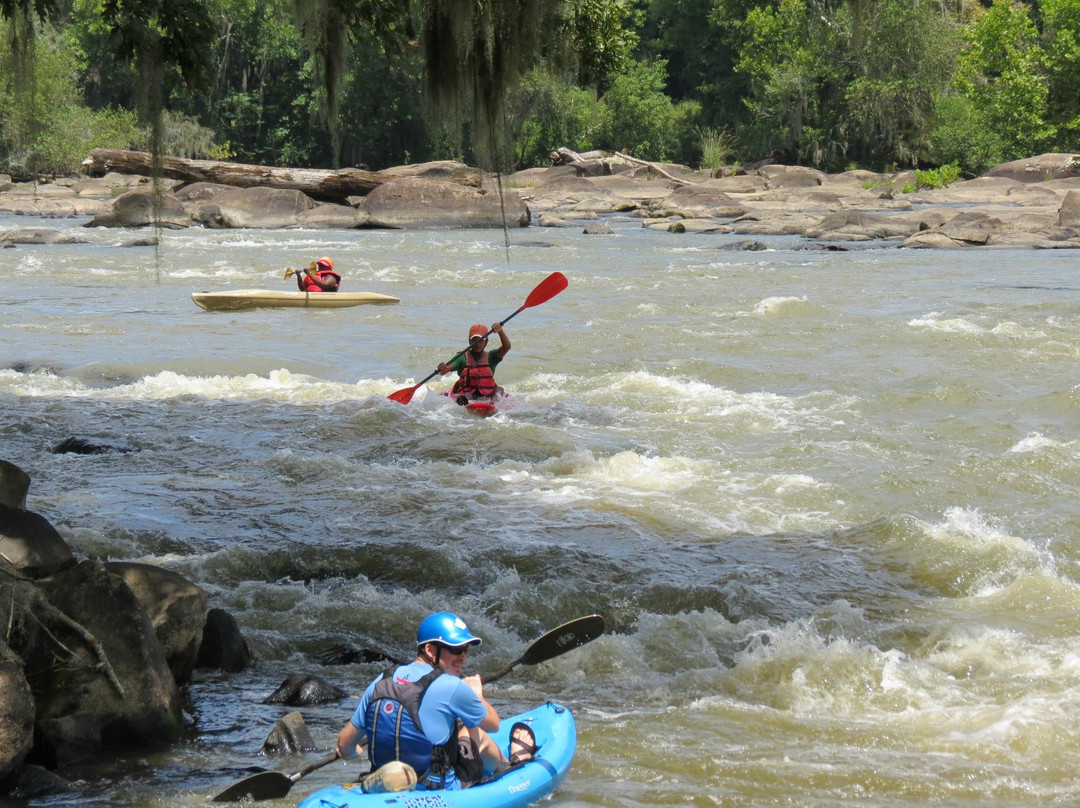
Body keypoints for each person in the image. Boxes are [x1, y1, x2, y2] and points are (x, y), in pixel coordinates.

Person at [335, 612, 537, 792]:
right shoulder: (452, 686)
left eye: (465, 649)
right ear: (430, 650)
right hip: (439, 791)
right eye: (455, 650)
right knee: (474, 730)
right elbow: (493, 724)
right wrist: (477, 695)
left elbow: (344, 746)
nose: (463, 657)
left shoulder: (381, 680)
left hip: (384, 788)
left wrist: (354, 752)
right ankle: (514, 772)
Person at [437, 323, 511, 403]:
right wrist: (442, 368)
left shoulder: (492, 356)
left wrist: (500, 331)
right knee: (467, 395)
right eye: (474, 340)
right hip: (467, 392)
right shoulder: (462, 357)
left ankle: (492, 404)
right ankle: (464, 402)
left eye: (481, 340)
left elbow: (506, 347)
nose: (477, 344)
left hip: (487, 393)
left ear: (486, 341)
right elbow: (444, 371)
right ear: (470, 341)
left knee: (499, 390)